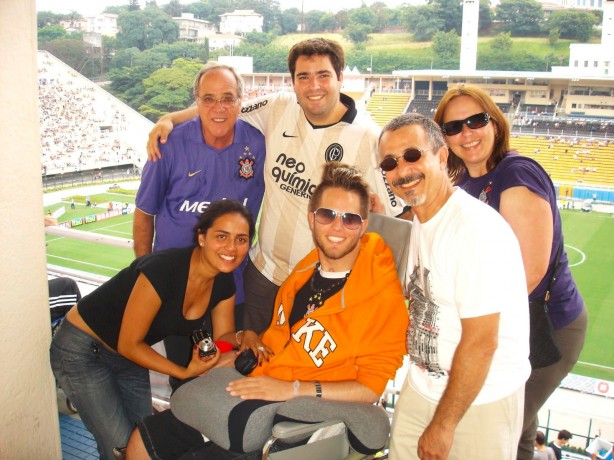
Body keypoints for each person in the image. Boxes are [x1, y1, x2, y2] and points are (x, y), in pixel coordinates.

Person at [124, 162, 409, 460]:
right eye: (327, 215)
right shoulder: (305, 269)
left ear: (364, 225)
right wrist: (240, 356)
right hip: (258, 382)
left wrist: (293, 389)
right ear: (312, 219)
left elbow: (370, 389)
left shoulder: (383, 300)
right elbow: (279, 339)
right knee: (142, 442)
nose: (337, 227)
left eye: (350, 219)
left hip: (287, 413)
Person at [146, 38, 403, 335]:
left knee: (300, 375)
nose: (313, 86)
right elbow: (222, 106)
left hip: (322, 287)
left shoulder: (369, 139)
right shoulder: (278, 106)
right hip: (263, 276)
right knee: (249, 365)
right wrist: (169, 119)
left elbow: (390, 220)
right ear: (293, 82)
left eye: (323, 75)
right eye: (303, 77)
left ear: (341, 78)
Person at [433, 84, 587, 460]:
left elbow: (530, 271)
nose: (466, 133)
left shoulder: (516, 173)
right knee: (519, 430)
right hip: (506, 328)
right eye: (453, 127)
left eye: (476, 120)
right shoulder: (466, 181)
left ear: (494, 121)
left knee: (490, 427)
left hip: (545, 329)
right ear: (443, 138)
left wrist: (464, 313)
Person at [50, 200, 256, 460]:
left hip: (131, 357)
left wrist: (244, 336)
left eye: (241, 239)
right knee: (120, 446)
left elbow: (223, 338)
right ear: (202, 237)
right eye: (221, 236)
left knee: (143, 442)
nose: (231, 248)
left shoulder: (224, 280)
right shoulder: (163, 269)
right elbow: (129, 342)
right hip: (82, 350)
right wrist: (184, 371)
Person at [378, 113, 530, 459]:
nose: (402, 170)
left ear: (442, 156)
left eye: (413, 155)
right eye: (390, 163)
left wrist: (444, 425)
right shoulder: (423, 219)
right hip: (423, 385)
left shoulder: (474, 229)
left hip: (479, 400)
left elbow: (481, 343)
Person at [134, 62, 266, 386]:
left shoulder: (259, 145)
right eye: (208, 99)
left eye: (228, 99)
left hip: (232, 290)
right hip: (178, 291)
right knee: (184, 376)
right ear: (196, 101)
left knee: (229, 377)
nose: (219, 108)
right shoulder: (168, 144)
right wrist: (144, 275)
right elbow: (144, 214)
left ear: (241, 101)